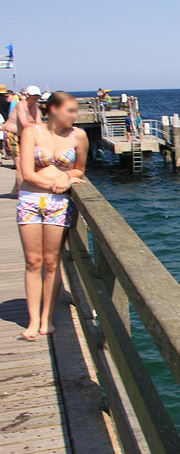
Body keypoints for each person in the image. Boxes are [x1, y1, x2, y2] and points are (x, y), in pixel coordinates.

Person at [17, 90, 88, 339]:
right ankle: (33, 320)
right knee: (33, 262)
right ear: (54, 109)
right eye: (70, 110)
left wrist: (67, 177)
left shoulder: (79, 136)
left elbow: (79, 168)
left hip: (59, 204)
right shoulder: (32, 133)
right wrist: (55, 184)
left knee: (51, 262)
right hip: (30, 200)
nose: (75, 116)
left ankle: (46, 318)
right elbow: (27, 173)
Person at [3, 85, 43, 196]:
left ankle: (16, 190)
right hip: (13, 135)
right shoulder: (21, 105)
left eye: (37, 96)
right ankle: (22, 192)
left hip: (24, 136)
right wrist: (41, 127)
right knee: (20, 164)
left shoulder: (35, 107)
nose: (36, 98)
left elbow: (39, 123)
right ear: (27, 95)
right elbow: (24, 123)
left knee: (28, 163)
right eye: (34, 96)